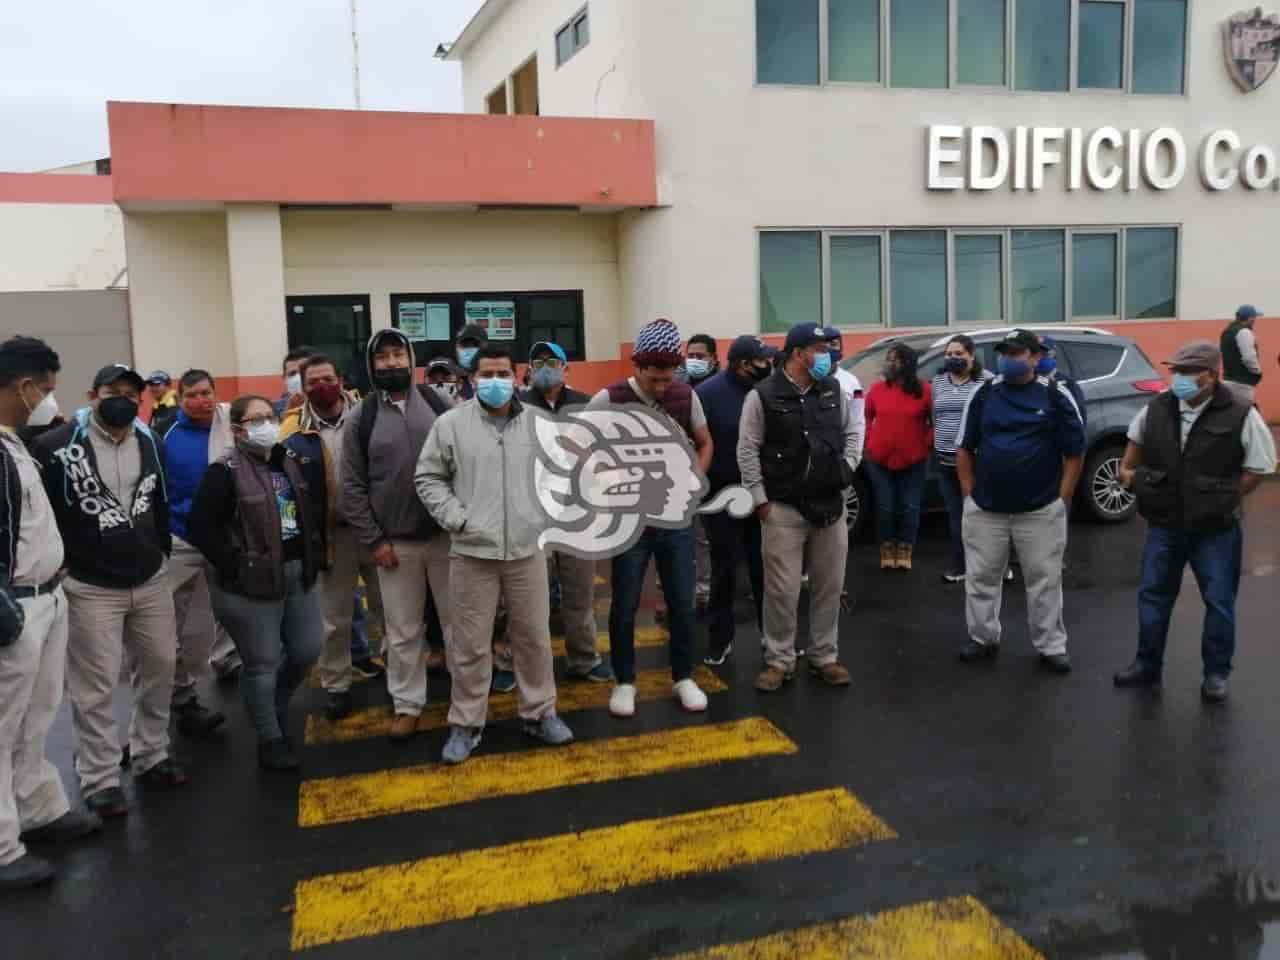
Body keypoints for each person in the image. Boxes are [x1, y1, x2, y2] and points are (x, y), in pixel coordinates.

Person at [33, 365, 187, 819]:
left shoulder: (150, 441)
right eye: (111, 392)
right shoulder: (57, 447)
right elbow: (44, 511)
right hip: (90, 585)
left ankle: (151, 754)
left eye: (129, 393)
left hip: (150, 577)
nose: (121, 399)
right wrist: (61, 564)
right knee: (95, 686)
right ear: (91, 394)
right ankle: (99, 778)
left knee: (161, 668)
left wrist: (160, 551)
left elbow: (158, 500)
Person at [416, 344, 574, 764]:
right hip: (472, 553)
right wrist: (458, 519)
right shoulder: (451, 425)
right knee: (469, 644)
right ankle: (466, 724)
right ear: (472, 379)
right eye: (486, 374)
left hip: (527, 552)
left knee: (534, 639)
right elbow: (429, 477)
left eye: (503, 374)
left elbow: (559, 475)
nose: (495, 382)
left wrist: (542, 517)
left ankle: (540, 713)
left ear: (516, 376)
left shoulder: (539, 424)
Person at [1115, 340, 1277, 703]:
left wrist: (1225, 500)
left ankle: (1216, 674)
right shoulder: (1158, 407)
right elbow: (1135, 438)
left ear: (1211, 375)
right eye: (1176, 371)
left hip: (1215, 530)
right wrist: (1128, 470)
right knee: (1153, 597)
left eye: (1187, 372)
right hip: (1165, 524)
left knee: (1218, 602)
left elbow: (1259, 466)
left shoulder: (1240, 411)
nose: (1179, 378)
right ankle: (1147, 665)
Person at [0, 336, 102, 891]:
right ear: (24, 385)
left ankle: (37, 808)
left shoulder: (13, 443)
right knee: (0, 725)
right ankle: (1, 847)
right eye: (46, 388)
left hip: (45, 598)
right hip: (14, 608)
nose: (47, 400)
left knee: (36, 716)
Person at [188, 396, 326, 771]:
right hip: (249, 583)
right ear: (236, 430)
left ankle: (273, 704)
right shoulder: (224, 470)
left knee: (307, 648)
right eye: (255, 419)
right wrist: (237, 565)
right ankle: (270, 737)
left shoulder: (288, 461)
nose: (265, 425)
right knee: (262, 662)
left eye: (270, 416)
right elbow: (201, 527)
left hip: (298, 572)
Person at [590, 318, 713, 717]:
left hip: (675, 520)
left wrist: (696, 475)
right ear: (638, 365)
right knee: (624, 603)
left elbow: (705, 441)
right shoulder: (610, 398)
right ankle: (624, 681)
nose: (663, 386)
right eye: (655, 378)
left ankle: (683, 676)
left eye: (668, 377)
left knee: (681, 600)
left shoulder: (684, 395)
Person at [342, 329, 452, 743]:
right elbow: (352, 485)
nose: (391, 362)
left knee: (459, 625)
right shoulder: (362, 417)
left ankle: (466, 699)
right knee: (403, 631)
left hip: (446, 540)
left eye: (397, 354)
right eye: (382, 357)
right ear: (372, 365)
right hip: (395, 546)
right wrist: (374, 540)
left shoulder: (441, 405)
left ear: (411, 358)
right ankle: (407, 705)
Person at [955, 329, 1085, 673]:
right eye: (1004, 353)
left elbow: (1075, 452)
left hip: (1040, 509)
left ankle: (1051, 645)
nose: (1008, 359)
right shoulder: (983, 393)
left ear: (1034, 356)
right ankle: (983, 637)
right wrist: (969, 493)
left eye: (1016, 353)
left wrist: (1062, 498)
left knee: (1044, 580)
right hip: (986, 508)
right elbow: (964, 447)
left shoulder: (1055, 395)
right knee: (982, 576)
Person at [738, 322, 858, 692]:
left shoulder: (834, 389)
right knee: (782, 590)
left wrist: (846, 470)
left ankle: (825, 656)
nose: (827, 355)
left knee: (828, 586)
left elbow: (852, 434)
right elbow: (747, 448)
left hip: (829, 507)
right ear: (797, 353)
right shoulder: (762, 395)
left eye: (828, 348)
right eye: (819, 349)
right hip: (783, 509)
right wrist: (760, 500)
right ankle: (779, 660)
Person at [279, 354, 384, 721]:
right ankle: (337, 686)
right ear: (304, 389)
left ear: (340, 379)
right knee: (333, 619)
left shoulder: (371, 414)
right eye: (313, 382)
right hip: (331, 536)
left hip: (376, 530)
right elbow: (284, 485)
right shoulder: (292, 428)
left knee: (391, 609)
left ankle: (402, 677)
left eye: (327, 378)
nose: (321, 386)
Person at [519, 341, 612, 683]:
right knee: (526, 600)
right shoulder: (516, 406)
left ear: (565, 368)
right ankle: (519, 664)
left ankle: (584, 659)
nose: (545, 367)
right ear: (528, 369)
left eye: (552, 361)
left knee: (580, 595)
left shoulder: (586, 405)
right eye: (538, 361)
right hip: (532, 518)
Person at [162, 369, 239, 734]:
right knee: (166, 622)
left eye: (207, 392)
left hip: (224, 535)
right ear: (179, 399)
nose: (201, 400)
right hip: (182, 538)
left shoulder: (231, 424)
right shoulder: (166, 436)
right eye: (191, 394)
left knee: (232, 606)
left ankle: (227, 660)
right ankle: (181, 696)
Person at [695, 335, 770, 665]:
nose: (767, 365)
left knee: (765, 567)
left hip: (761, 495)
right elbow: (695, 441)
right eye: (761, 361)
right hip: (722, 495)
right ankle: (719, 638)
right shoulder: (707, 394)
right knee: (724, 569)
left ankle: (775, 637)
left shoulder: (768, 390)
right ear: (743, 365)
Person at [863, 343, 932, 571]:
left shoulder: (924, 390)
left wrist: (926, 443)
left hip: (914, 460)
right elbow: (866, 417)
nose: (889, 363)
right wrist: (869, 441)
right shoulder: (876, 390)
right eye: (888, 359)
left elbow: (935, 422)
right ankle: (886, 547)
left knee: (910, 506)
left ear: (908, 364)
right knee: (885, 507)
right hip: (879, 459)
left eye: (895, 359)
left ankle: (905, 547)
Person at [932, 335, 989, 583]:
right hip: (945, 461)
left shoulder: (985, 381)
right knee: (957, 518)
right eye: (949, 354)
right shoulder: (938, 381)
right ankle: (961, 566)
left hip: (977, 461)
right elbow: (936, 416)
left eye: (958, 354)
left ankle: (996, 565)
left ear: (971, 356)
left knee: (985, 516)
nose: (953, 358)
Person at [1222, 305, 1264, 403]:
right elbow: (1249, 358)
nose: (1255, 320)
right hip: (1243, 382)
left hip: (1229, 379)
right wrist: (1257, 372)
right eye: (1254, 317)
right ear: (1249, 318)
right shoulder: (1244, 332)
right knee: (1243, 413)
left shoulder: (1227, 331)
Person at [273, 346, 316, 418]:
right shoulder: (273, 410)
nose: (298, 378)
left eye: (304, 371)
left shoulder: (335, 405)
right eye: (292, 373)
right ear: (284, 379)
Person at [454, 324, 488, 401]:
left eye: (475, 345)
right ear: (457, 347)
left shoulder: (498, 379)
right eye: (465, 345)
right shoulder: (450, 380)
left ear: (485, 346)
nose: (469, 349)